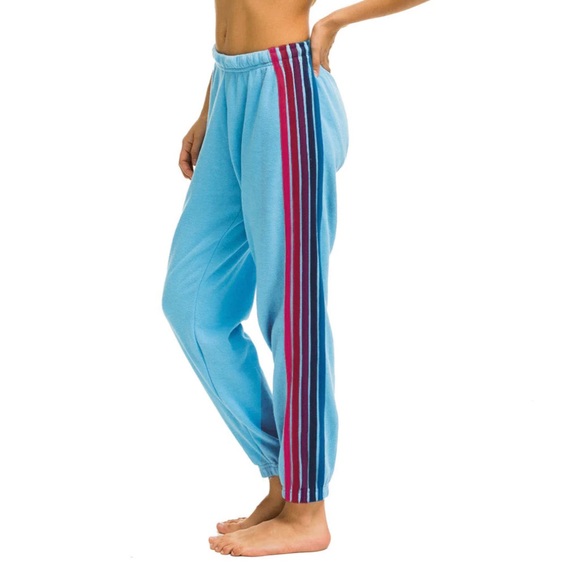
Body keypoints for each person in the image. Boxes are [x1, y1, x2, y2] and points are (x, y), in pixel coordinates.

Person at [162, 0, 429, 557]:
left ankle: (307, 511)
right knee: (191, 306)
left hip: (286, 91)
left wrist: (334, 22)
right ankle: (283, 476)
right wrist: (211, 104)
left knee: (293, 312)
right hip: (231, 88)